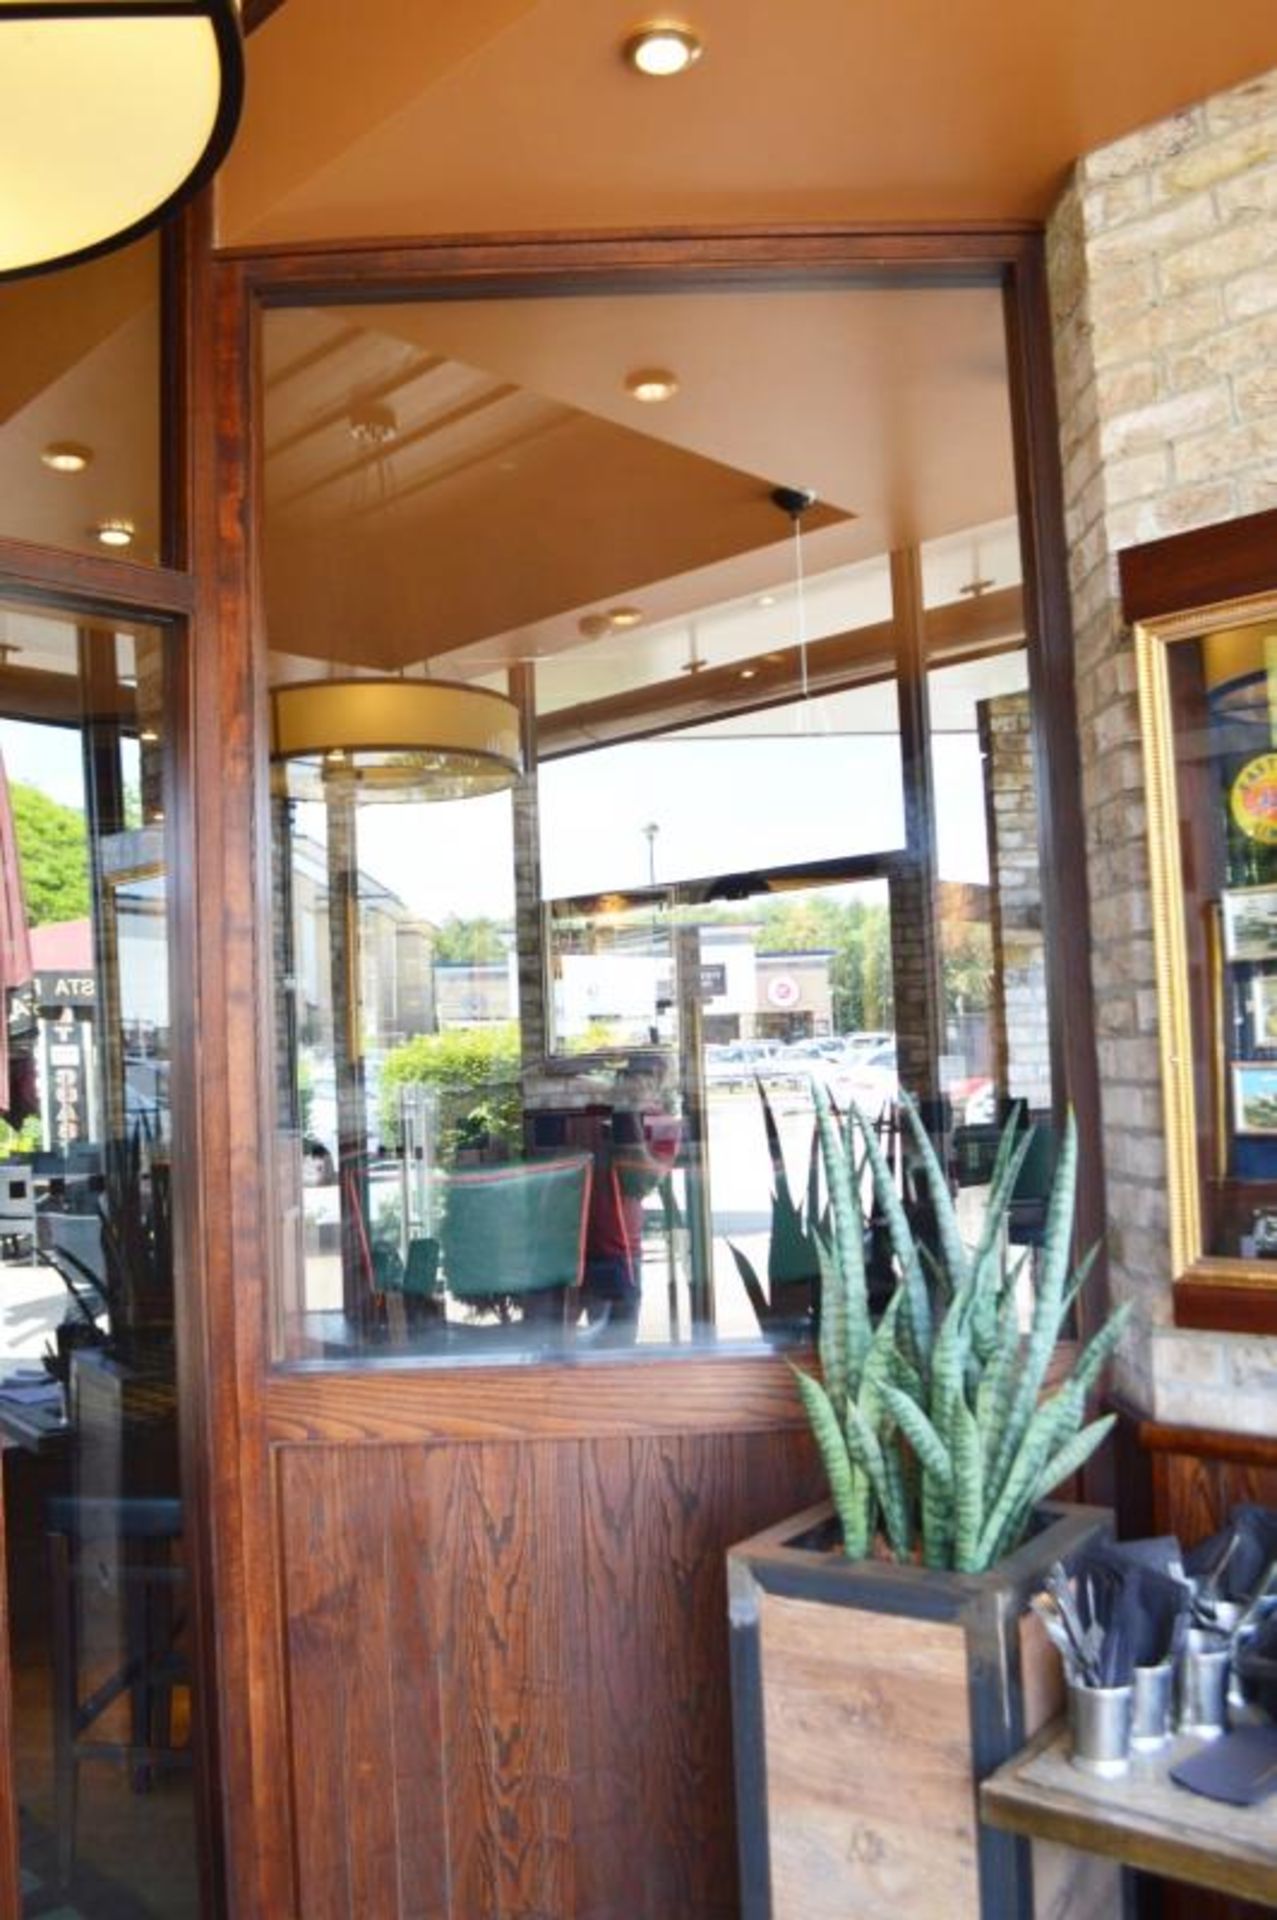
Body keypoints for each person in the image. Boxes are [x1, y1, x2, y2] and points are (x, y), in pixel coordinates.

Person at [581, 1054, 680, 1329]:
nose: (638, 1084)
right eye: (631, 1076)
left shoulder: (662, 1126)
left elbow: (638, 1181)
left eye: (647, 1078)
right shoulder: (590, 1112)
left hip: (619, 1248)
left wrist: (629, 1111)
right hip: (571, 1246)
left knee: (618, 1346)